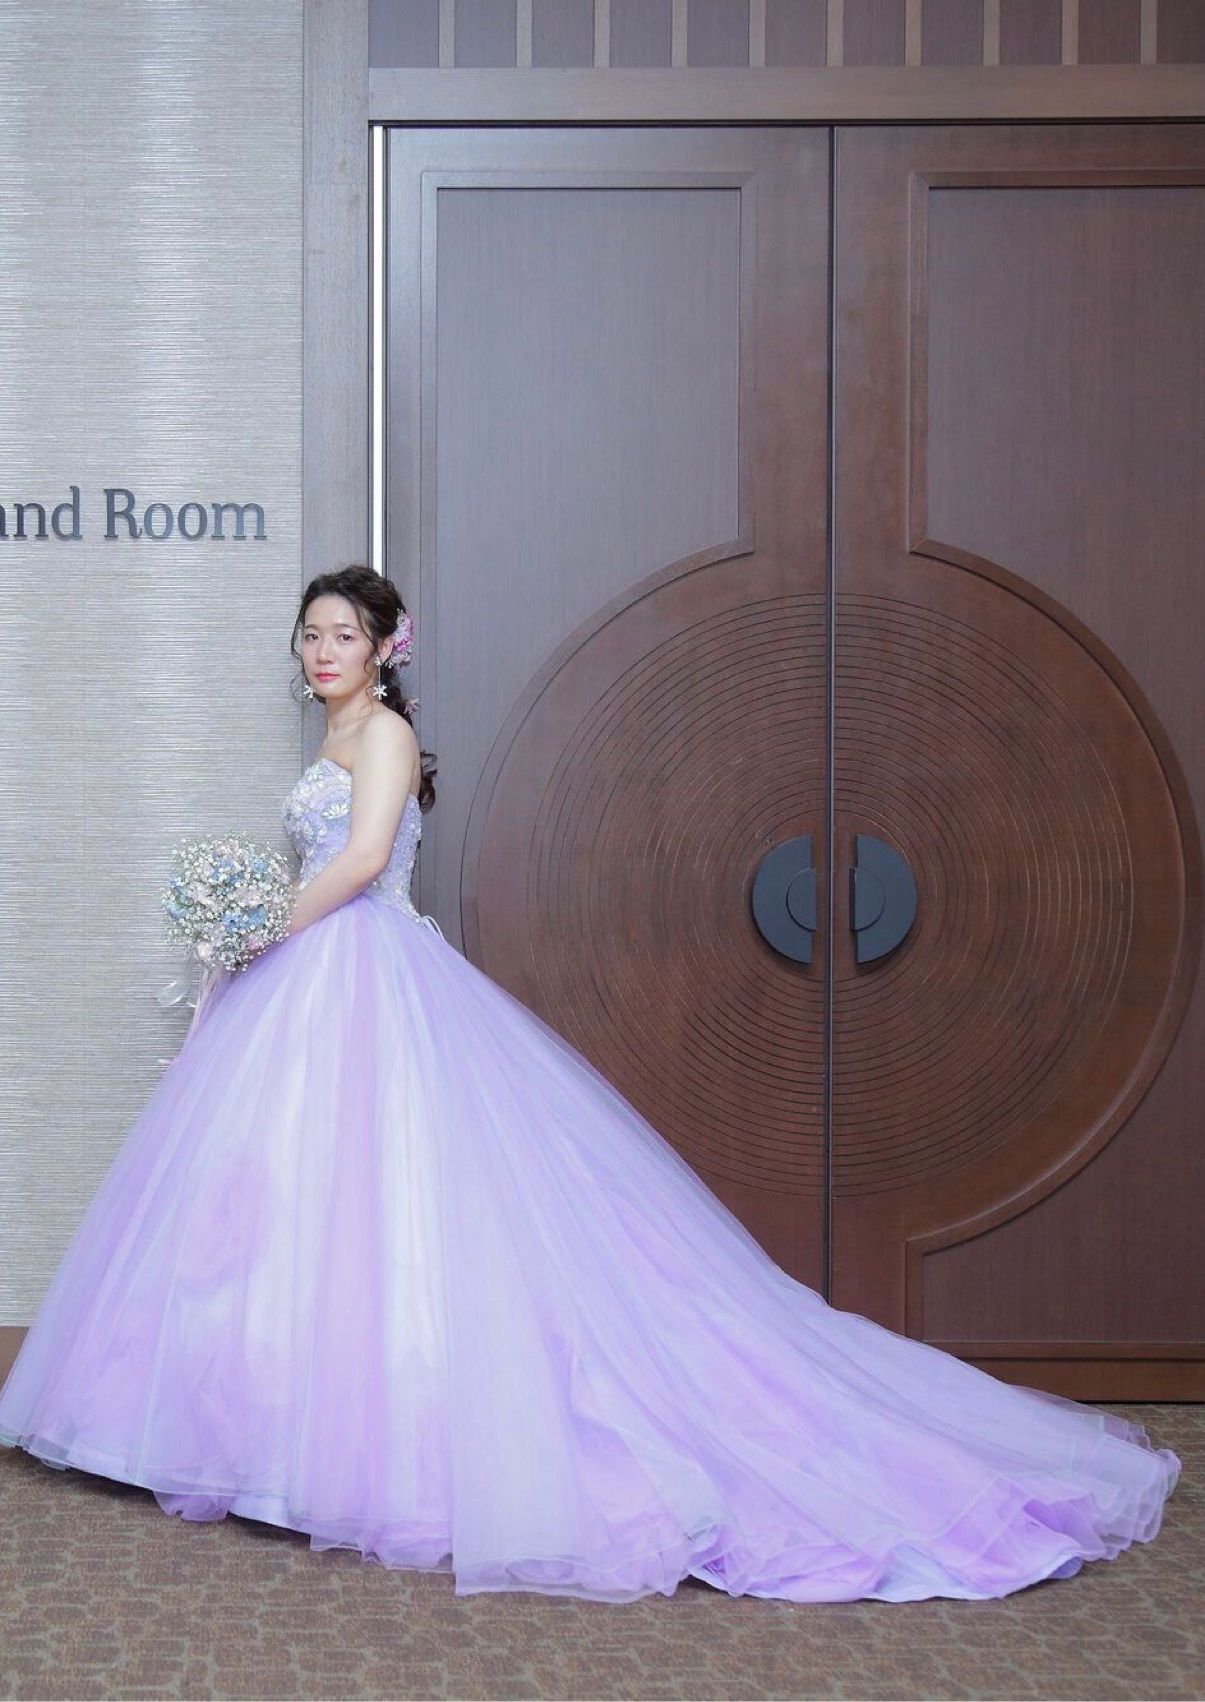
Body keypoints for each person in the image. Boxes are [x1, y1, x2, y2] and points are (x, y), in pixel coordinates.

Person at [0, 565, 1181, 1605]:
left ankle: (369, 1442)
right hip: (314, 973)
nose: (321, 651)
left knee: (387, 1199)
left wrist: (258, 928)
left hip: (359, 966)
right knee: (290, 1200)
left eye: (342, 635)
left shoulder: (385, 736)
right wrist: (254, 938)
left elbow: (360, 860)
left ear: (383, 648)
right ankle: (262, 1432)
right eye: (309, 634)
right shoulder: (330, 739)